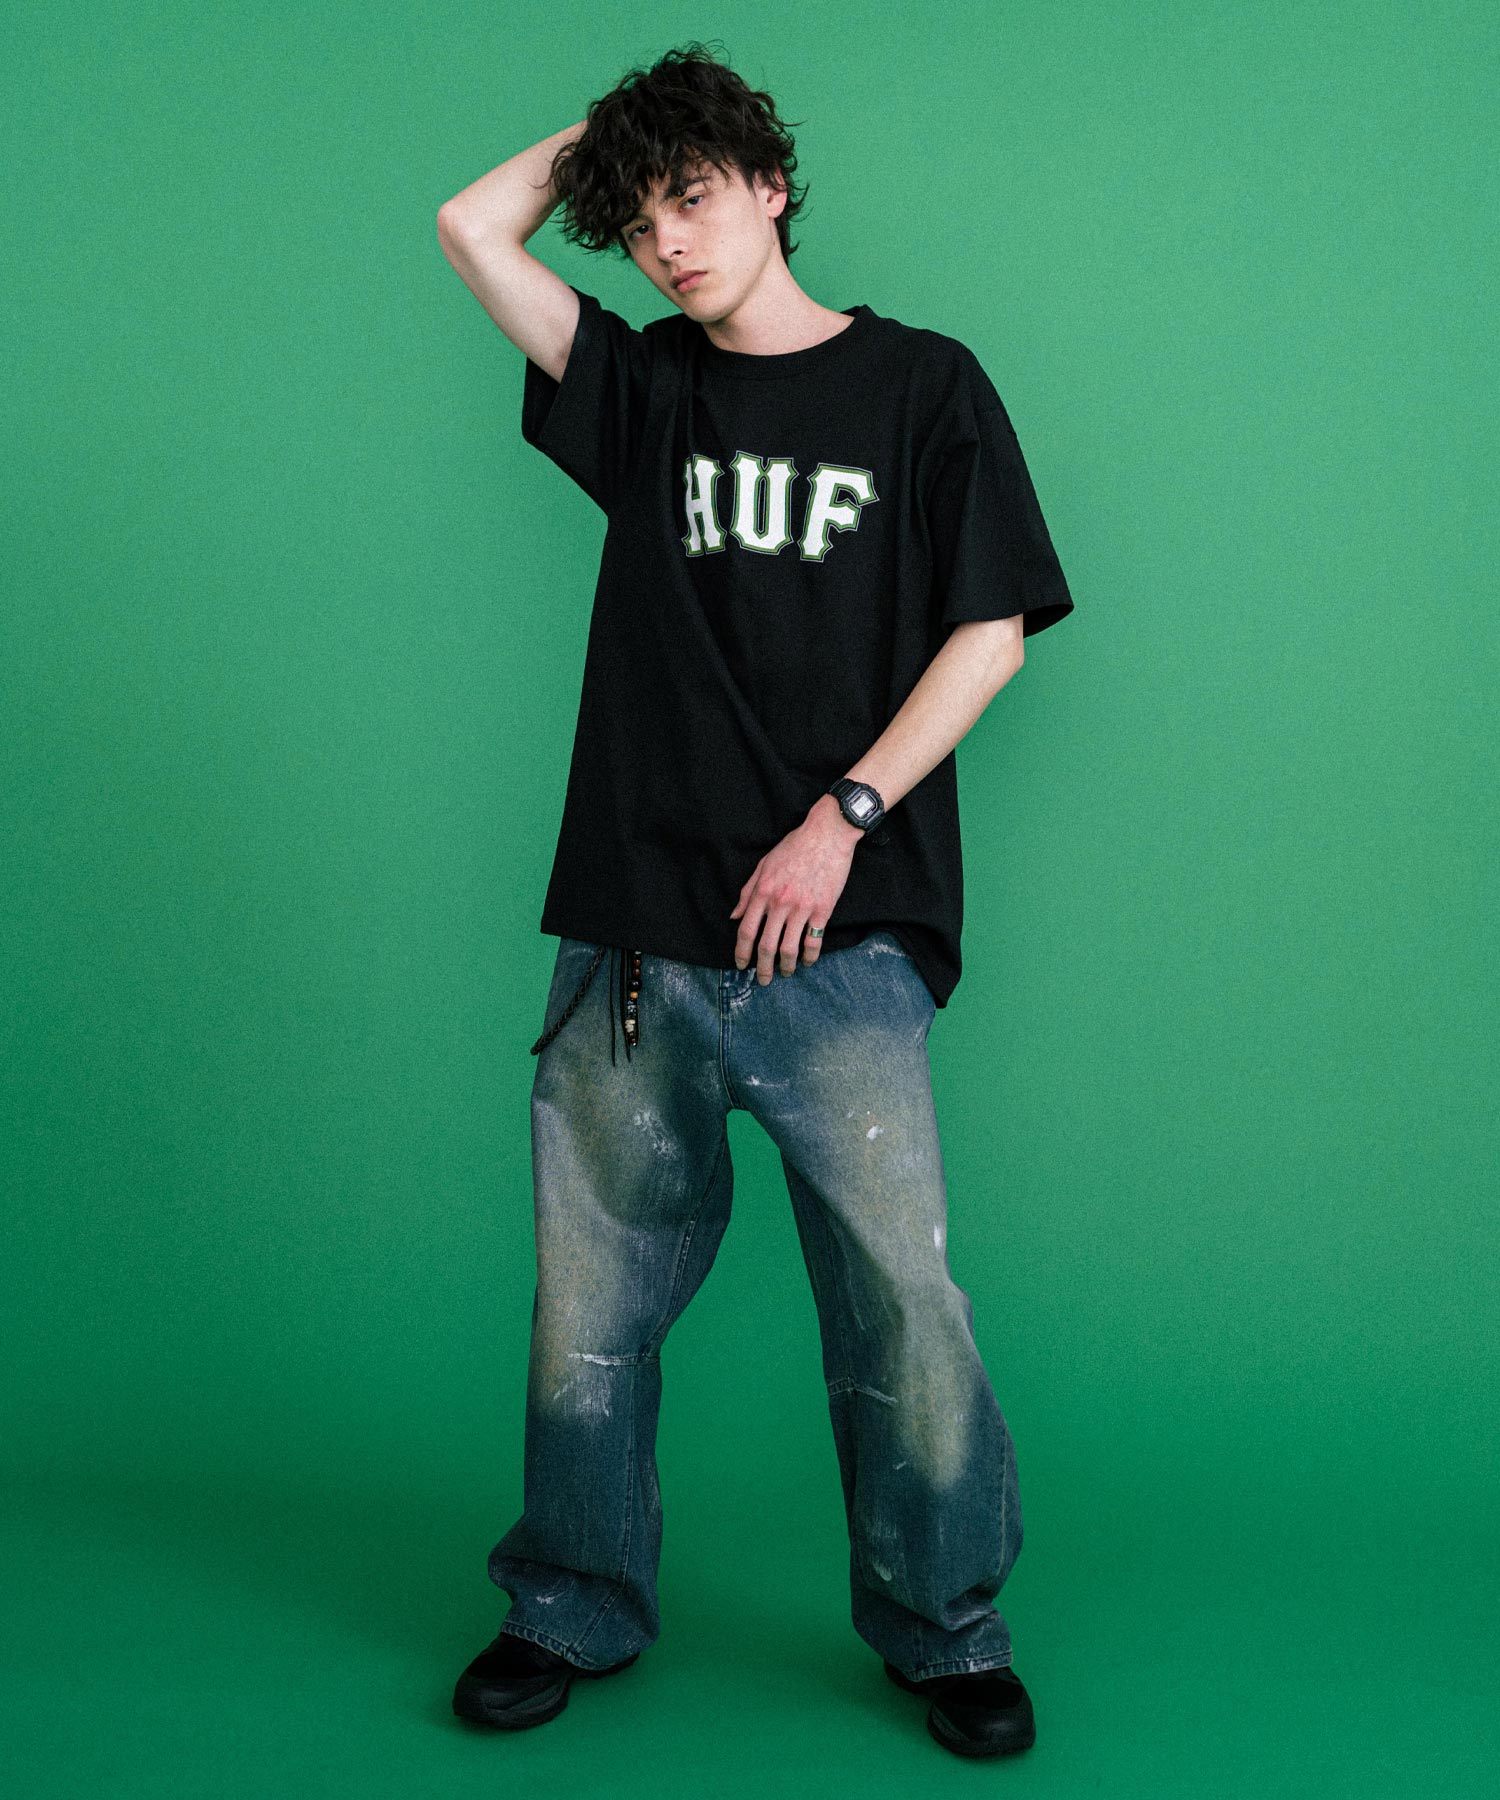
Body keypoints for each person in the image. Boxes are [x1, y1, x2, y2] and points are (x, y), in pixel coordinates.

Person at [435, 42, 1074, 1760]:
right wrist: (624, 135)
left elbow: (994, 631)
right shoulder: (641, 392)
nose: (667, 241)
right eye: (638, 220)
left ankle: (947, 1629)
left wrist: (844, 818)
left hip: (839, 942)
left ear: (774, 186)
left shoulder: (924, 386)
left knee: (901, 1307)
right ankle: (566, 1606)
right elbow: (471, 228)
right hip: (637, 936)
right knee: (591, 1312)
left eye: (696, 196)